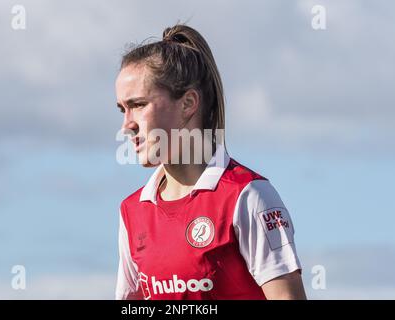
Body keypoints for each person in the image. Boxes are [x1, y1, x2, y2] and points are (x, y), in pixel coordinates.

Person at [114, 24, 306, 300]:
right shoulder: (132, 212)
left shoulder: (248, 196)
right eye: (123, 109)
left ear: (188, 103)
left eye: (139, 105)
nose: (126, 125)